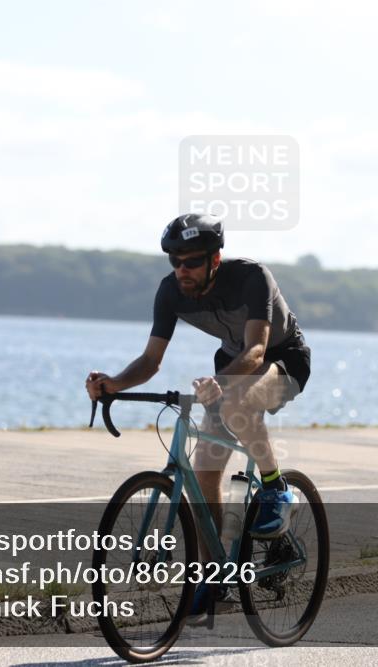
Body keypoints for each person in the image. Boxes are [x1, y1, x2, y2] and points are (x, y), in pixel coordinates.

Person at [85, 212, 312, 620]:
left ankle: (277, 487)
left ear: (215, 259)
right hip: (229, 364)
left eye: (191, 261)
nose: (182, 270)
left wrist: (222, 385)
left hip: (282, 359)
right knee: (205, 471)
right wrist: (114, 384)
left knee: (239, 401)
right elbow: (151, 361)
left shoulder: (251, 278)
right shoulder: (170, 292)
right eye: (175, 261)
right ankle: (215, 572)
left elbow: (257, 352)